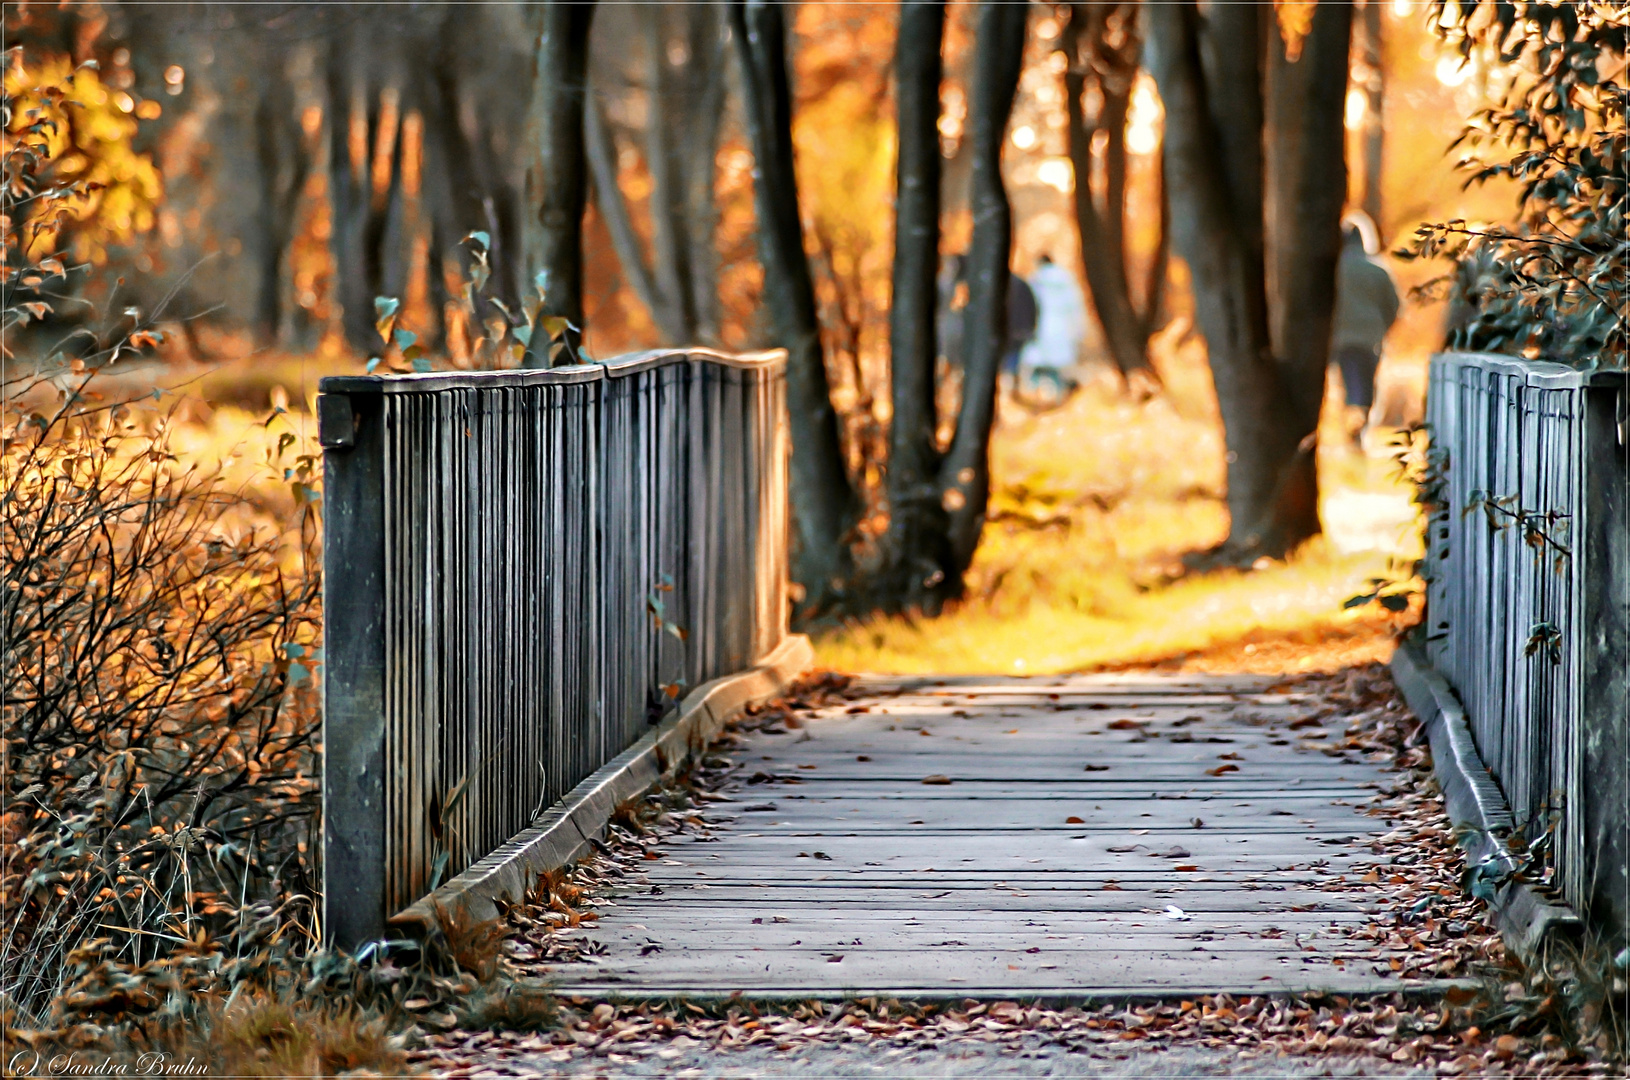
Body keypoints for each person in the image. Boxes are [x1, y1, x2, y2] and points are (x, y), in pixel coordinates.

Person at [1331, 222, 1400, 444]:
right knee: (1367, 384)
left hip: (1339, 337)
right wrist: (1382, 329)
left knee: (1345, 383)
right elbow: (1394, 305)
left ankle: (1349, 428)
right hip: (1371, 337)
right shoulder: (1378, 269)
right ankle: (1360, 430)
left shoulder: (1332, 270)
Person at [1018, 254, 1087, 400]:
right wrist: (1078, 330)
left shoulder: (1035, 281)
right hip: (1062, 328)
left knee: (1038, 365)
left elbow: (1027, 306)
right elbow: (1075, 307)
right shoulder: (1066, 280)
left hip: (1040, 326)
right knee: (1057, 367)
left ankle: (1036, 397)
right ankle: (1058, 396)